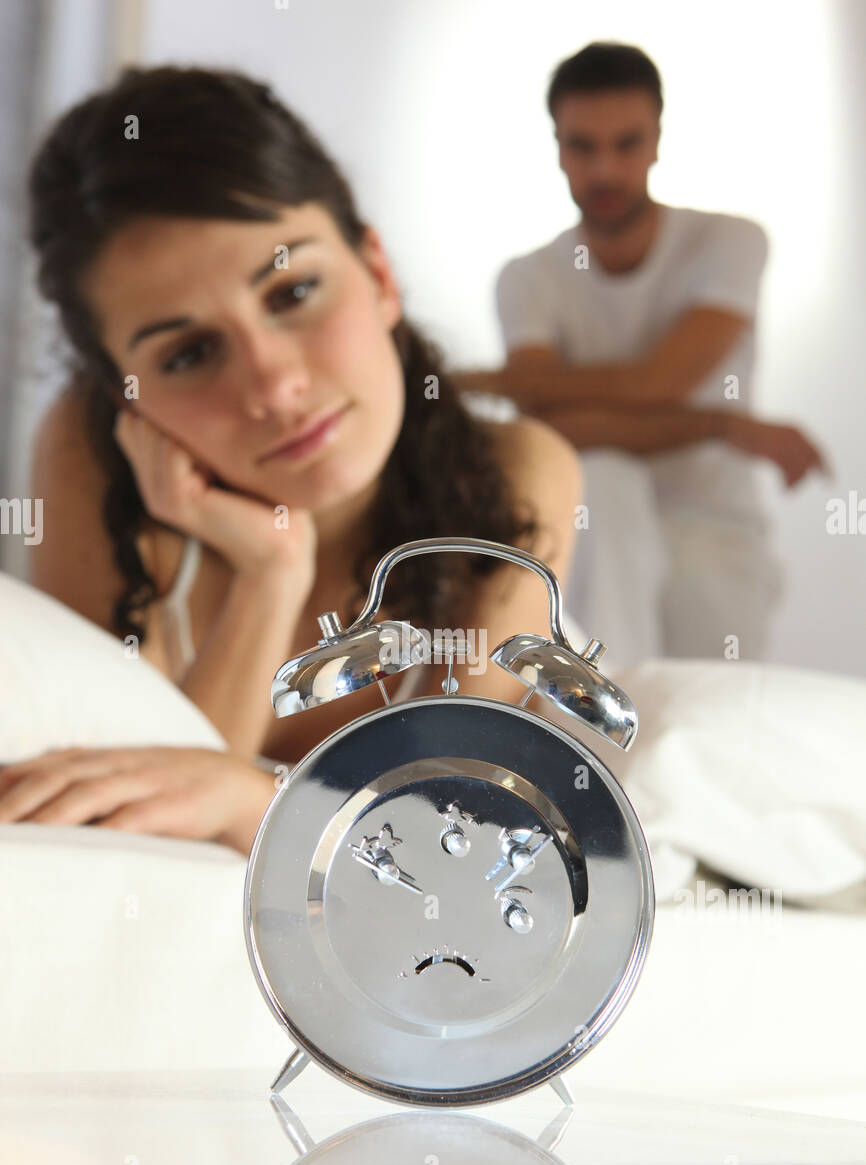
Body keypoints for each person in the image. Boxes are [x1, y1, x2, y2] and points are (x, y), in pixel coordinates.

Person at [0, 65, 582, 853]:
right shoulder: (89, 454)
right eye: (190, 352)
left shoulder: (518, 470)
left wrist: (254, 796)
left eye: (293, 292)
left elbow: (455, 826)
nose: (273, 386)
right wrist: (269, 576)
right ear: (125, 397)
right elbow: (134, 821)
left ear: (377, 273)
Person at [453, 41, 827, 663]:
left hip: (718, 535)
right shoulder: (529, 277)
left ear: (657, 141)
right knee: (603, 476)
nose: (604, 170)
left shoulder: (727, 242)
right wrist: (722, 425)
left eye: (626, 143)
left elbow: (662, 381)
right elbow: (554, 428)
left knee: (719, 731)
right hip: (593, 538)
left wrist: (486, 380)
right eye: (583, 146)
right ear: (557, 147)